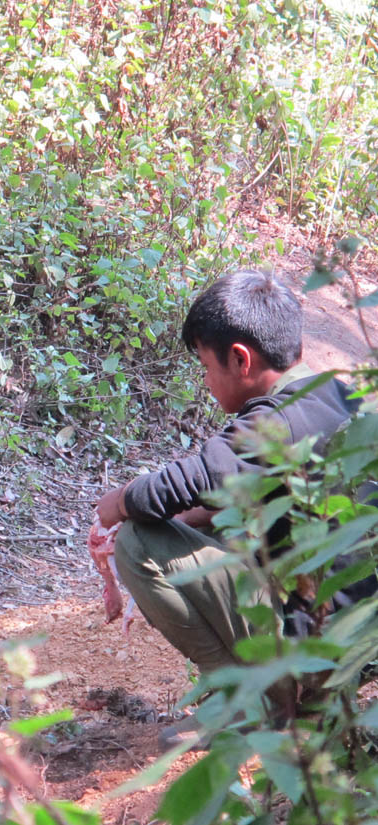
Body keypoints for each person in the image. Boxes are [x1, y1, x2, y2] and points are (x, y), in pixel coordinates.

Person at [94, 270, 366, 744]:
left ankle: (247, 702)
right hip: (357, 645)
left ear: (240, 359)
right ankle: (301, 699)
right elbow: (226, 494)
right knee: (209, 523)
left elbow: (182, 483)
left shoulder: (272, 422)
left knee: (140, 541)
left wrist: (113, 506)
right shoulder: (340, 397)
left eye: (205, 365)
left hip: (315, 652)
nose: (204, 381)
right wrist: (186, 518)